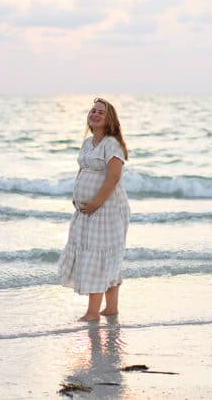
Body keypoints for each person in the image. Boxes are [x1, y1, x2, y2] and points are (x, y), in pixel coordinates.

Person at [58, 97, 131, 321]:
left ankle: (92, 313)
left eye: (101, 112)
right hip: (87, 210)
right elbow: (83, 169)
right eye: (93, 111)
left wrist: (96, 202)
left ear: (109, 120)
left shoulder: (111, 144)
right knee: (101, 256)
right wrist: (76, 195)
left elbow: (114, 176)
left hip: (107, 210)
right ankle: (111, 308)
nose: (95, 114)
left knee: (98, 257)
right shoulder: (88, 142)